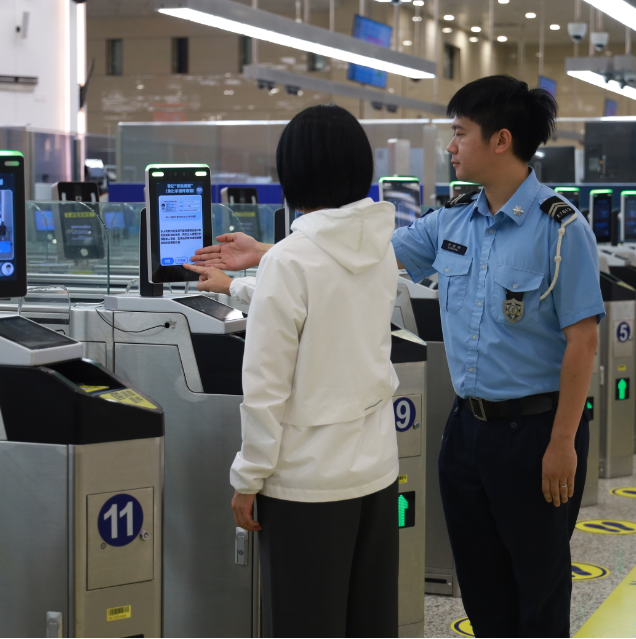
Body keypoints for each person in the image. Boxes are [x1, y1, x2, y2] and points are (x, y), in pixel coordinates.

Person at [193, 75, 603, 638]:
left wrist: (563, 443)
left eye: (460, 134)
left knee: (539, 586)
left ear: (501, 140)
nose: (451, 147)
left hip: (537, 433)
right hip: (467, 431)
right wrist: (264, 258)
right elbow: (355, 260)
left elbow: (584, 340)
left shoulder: (561, 230)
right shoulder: (453, 221)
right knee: (482, 582)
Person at [186, 105, 402, 638]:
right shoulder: (378, 247)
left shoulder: (289, 259)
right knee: (366, 621)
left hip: (306, 484)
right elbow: (329, 308)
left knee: (306, 623)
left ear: (294, 173)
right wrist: (239, 286)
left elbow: (265, 387)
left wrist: (248, 476)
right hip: (374, 471)